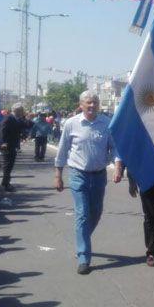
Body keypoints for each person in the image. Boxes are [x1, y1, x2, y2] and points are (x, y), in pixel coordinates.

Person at [54, 91, 114, 275]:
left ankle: (83, 239)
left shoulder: (106, 123)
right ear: (81, 105)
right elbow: (62, 150)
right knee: (82, 214)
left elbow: (115, 148)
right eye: (88, 102)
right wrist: (58, 174)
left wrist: (117, 164)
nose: (92, 105)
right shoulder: (71, 124)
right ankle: (83, 257)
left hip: (99, 175)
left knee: (95, 213)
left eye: (95, 102)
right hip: (78, 174)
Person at [0, 103, 25, 192]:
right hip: (7, 145)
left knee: (10, 165)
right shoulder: (8, 118)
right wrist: (3, 142)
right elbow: (2, 129)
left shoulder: (16, 119)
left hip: (12, 145)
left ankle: (6, 182)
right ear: (16, 110)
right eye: (21, 110)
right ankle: (6, 183)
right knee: (7, 165)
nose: (23, 112)